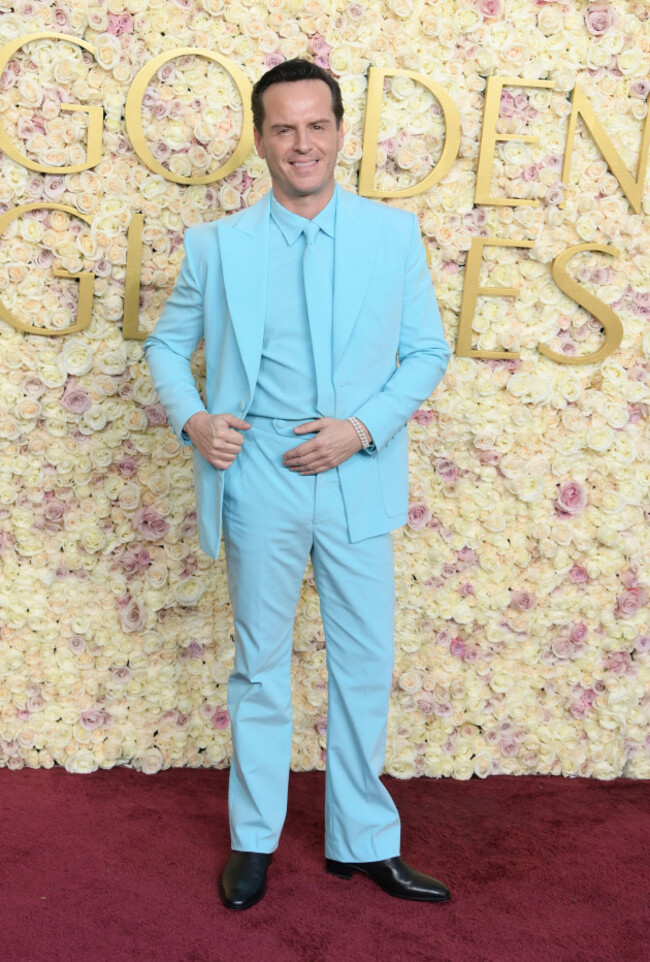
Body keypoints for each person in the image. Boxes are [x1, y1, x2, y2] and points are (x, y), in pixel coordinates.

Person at [144, 58, 451, 910]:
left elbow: (428, 351)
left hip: (356, 468)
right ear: (260, 139)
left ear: (342, 132)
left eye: (317, 125)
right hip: (258, 478)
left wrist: (363, 428)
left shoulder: (394, 235)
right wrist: (194, 420)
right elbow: (167, 346)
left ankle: (364, 841)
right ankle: (253, 840)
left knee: (364, 662)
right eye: (284, 128)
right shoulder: (216, 245)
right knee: (259, 667)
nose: (302, 143)